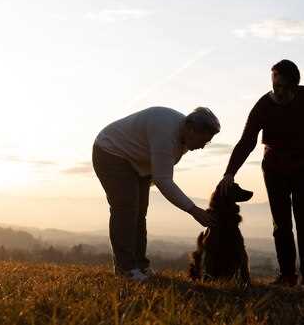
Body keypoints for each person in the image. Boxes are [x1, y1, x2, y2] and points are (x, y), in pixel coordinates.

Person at [218, 59, 304, 288]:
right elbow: (247, 141)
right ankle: (287, 275)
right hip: (274, 170)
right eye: (274, 85)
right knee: (281, 223)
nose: (277, 91)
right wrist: (230, 172)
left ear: (294, 86)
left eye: (282, 86)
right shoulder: (263, 106)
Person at [93, 106, 219, 281]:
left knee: (139, 214)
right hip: (111, 152)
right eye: (203, 140)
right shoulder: (166, 134)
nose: (203, 147)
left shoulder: (181, 138)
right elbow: (164, 181)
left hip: (139, 164)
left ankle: (140, 266)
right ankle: (126, 269)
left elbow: (159, 175)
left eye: (207, 142)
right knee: (126, 210)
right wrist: (194, 210)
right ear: (191, 129)